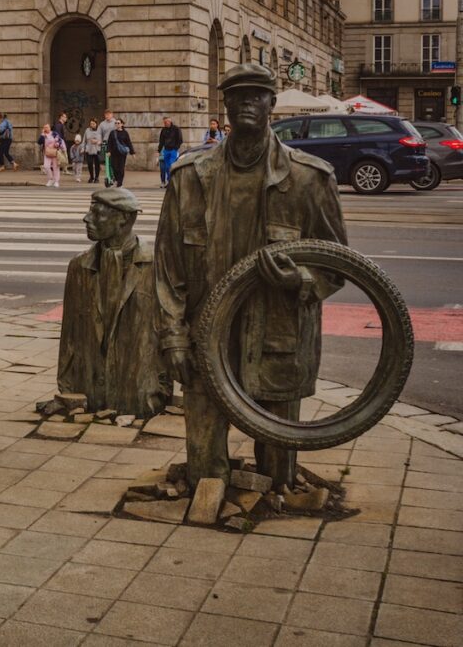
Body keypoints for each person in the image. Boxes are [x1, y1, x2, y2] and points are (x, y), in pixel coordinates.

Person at [154, 63, 347, 490]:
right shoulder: (190, 178)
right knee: (205, 459)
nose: (246, 103)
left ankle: (277, 494)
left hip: (277, 333)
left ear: (271, 104)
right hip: (207, 333)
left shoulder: (308, 179)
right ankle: (209, 493)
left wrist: (299, 280)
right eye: (237, 96)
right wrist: (172, 337)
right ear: (224, 105)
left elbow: (336, 265)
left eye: (256, 95)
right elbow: (168, 268)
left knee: (279, 464)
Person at [59, 189, 169, 417]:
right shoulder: (79, 267)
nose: (87, 218)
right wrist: (67, 388)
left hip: (140, 393)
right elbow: (68, 334)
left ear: (124, 219)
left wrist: (162, 387)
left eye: (97, 213)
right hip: (89, 388)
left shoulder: (157, 266)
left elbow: (170, 327)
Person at [106, 118, 135, 187]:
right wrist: (108, 151)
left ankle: (120, 183)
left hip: (122, 154)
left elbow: (129, 143)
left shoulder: (125, 133)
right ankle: (117, 179)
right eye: (116, 123)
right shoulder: (112, 133)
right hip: (114, 153)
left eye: (118, 123)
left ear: (122, 124)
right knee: (114, 167)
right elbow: (109, 143)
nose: (117, 124)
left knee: (121, 168)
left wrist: (132, 152)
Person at [157, 116, 183, 187]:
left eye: (166, 122)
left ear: (170, 121)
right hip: (166, 150)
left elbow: (180, 139)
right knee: (166, 167)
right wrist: (159, 150)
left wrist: (176, 148)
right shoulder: (163, 130)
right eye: (164, 122)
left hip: (173, 150)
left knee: (171, 165)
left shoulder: (176, 129)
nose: (165, 124)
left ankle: (171, 181)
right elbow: (161, 141)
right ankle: (169, 181)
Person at [37, 123, 63, 188]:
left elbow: (60, 141)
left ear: (50, 128)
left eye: (47, 127)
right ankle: (50, 179)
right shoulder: (43, 135)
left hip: (54, 153)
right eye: (45, 127)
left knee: (55, 167)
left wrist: (57, 144)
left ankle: (56, 181)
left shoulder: (54, 133)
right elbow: (39, 142)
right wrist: (42, 135)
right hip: (47, 153)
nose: (46, 129)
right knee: (46, 166)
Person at [97, 109, 117, 185]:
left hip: (113, 144)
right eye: (106, 114)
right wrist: (99, 140)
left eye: (109, 114)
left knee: (113, 162)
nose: (107, 116)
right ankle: (109, 176)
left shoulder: (115, 122)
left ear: (112, 114)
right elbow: (99, 133)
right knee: (107, 162)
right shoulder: (102, 124)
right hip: (106, 143)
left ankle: (114, 175)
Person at [83, 118, 102, 183]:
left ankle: (97, 177)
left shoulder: (100, 130)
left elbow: (102, 140)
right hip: (89, 149)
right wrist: (83, 148)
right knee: (90, 164)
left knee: (97, 164)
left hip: (97, 149)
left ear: (96, 124)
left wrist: (97, 141)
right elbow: (84, 140)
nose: (92, 125)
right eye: (91, 124)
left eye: (93, 124)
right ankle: (91, 177)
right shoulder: (87, 130)